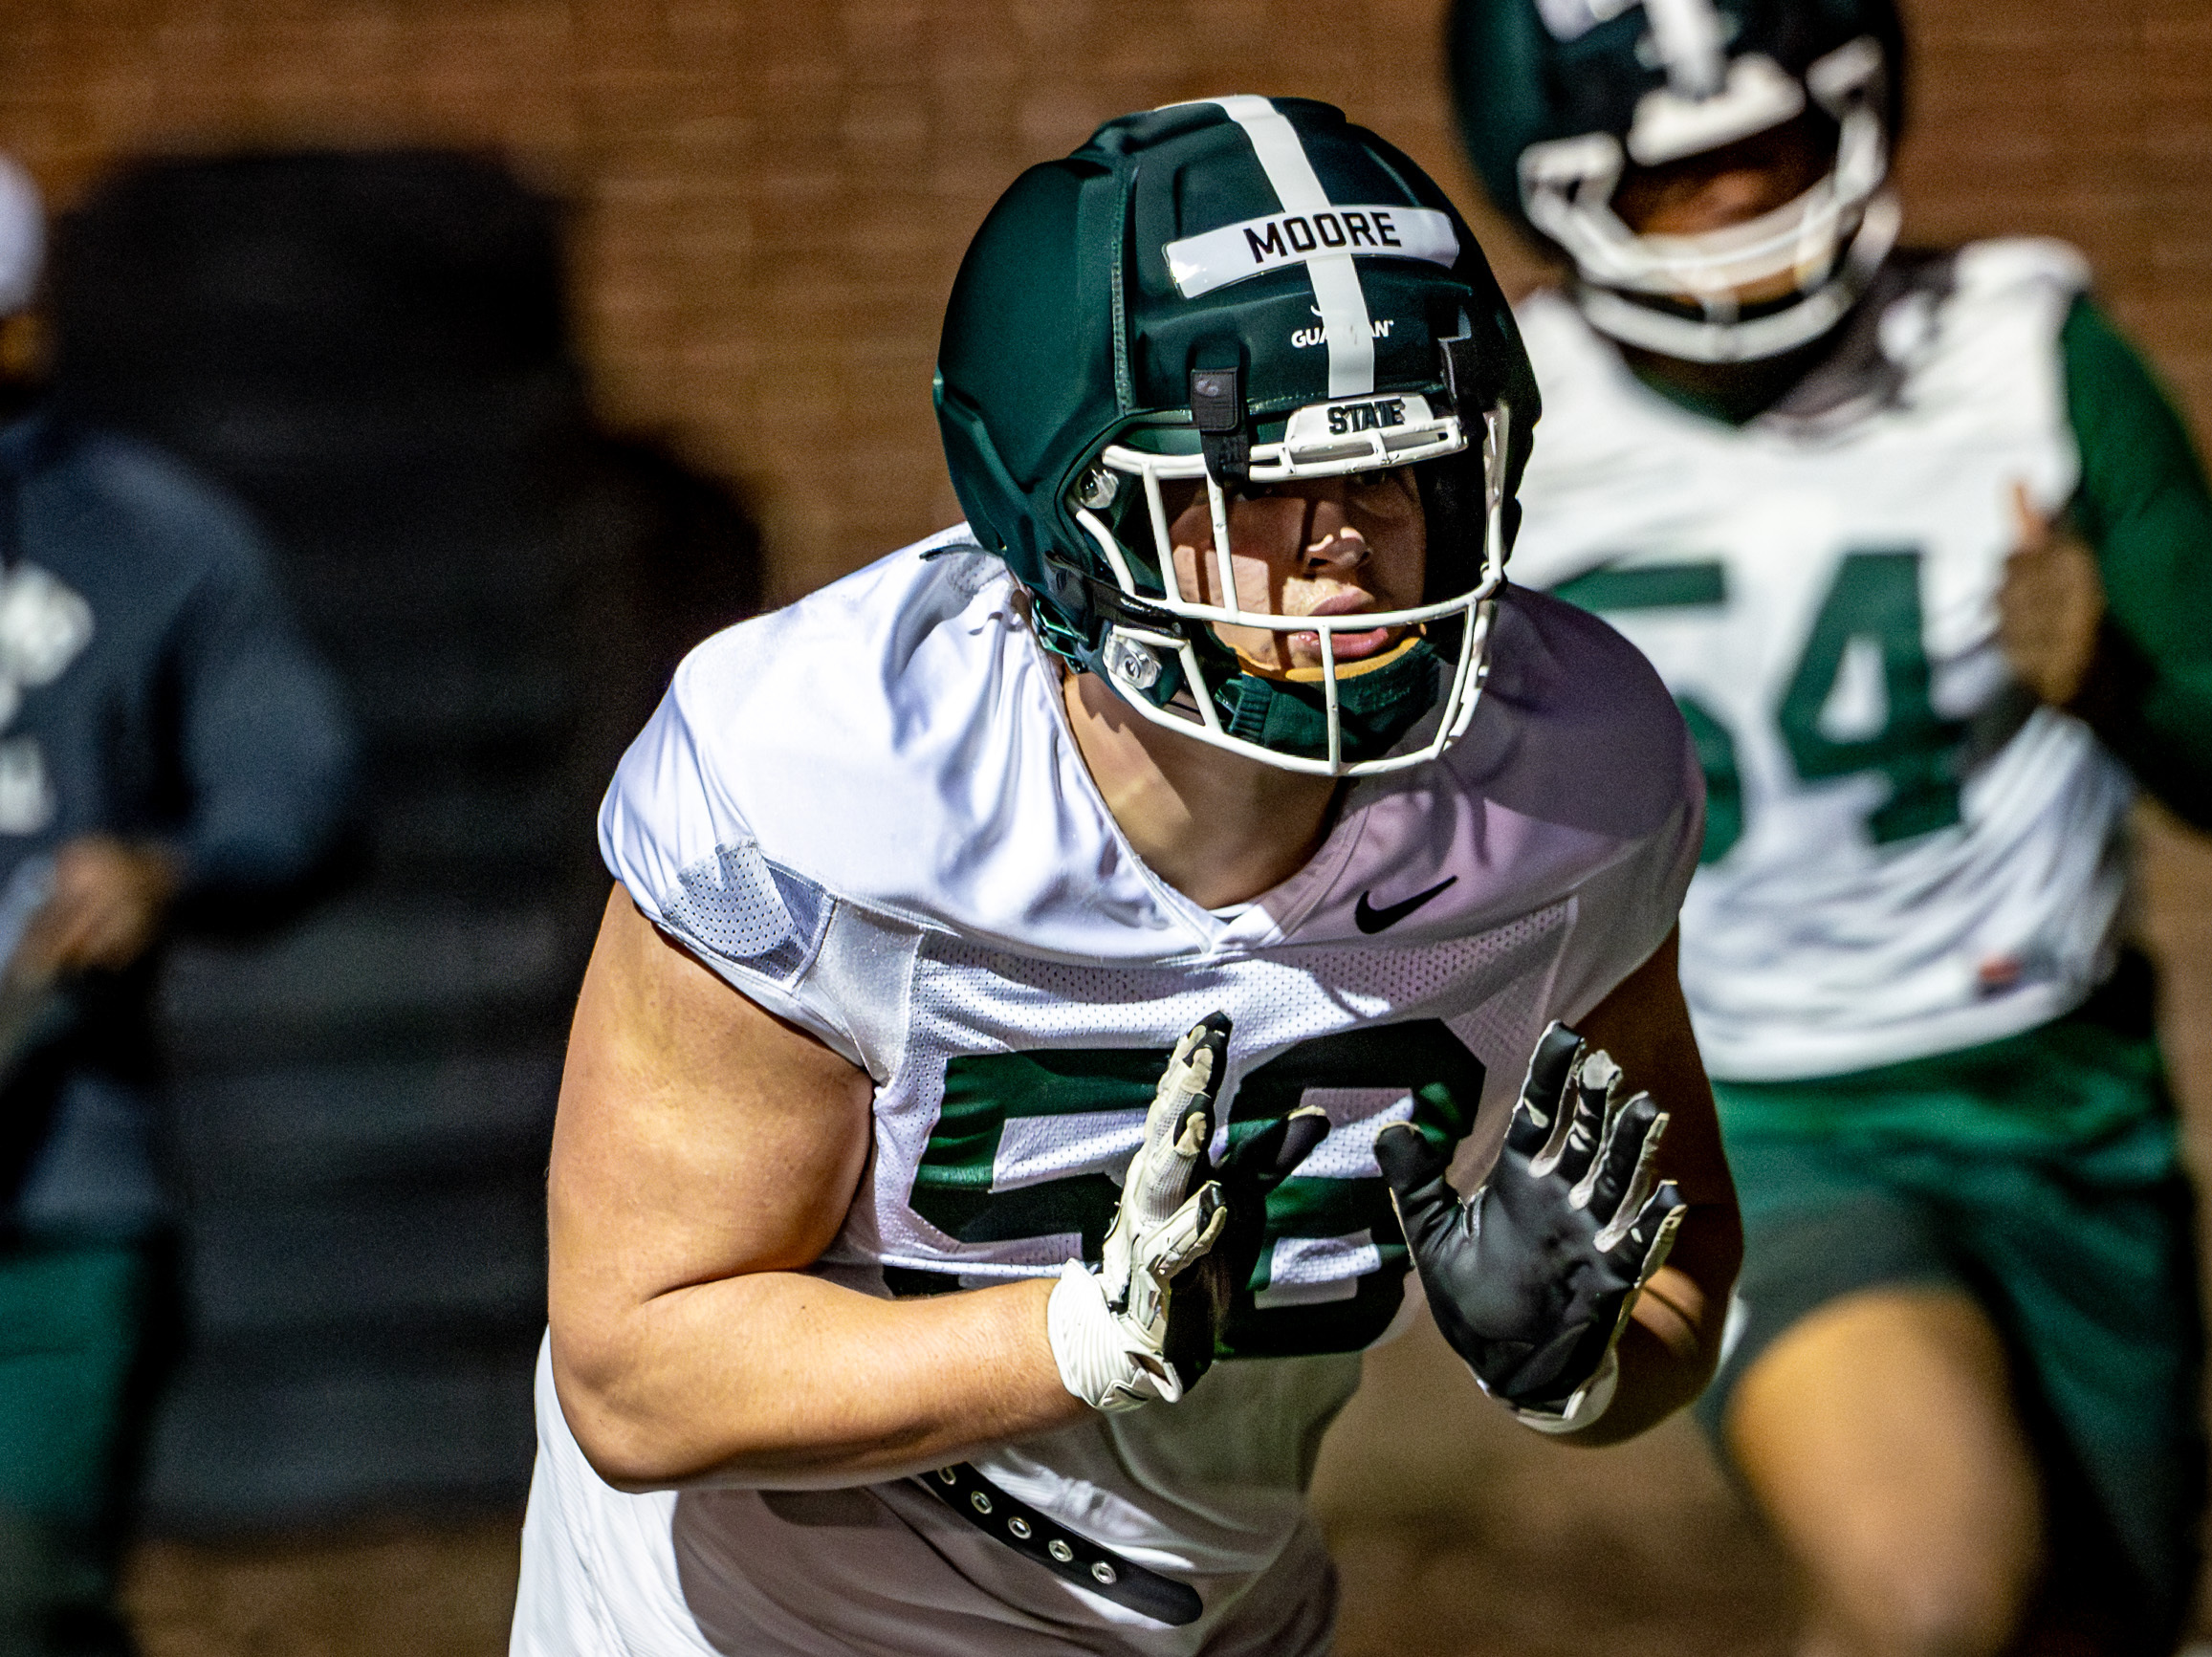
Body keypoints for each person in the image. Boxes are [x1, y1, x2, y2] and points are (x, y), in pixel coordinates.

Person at [514, 97, 1740, 1656]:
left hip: (1228, 1608)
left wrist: (1580, 1365)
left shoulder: (1571, 785)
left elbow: (1677, 1275)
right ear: (1069, 520)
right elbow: (640, 1369)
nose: (1346, 542)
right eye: (1254, 482)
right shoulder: (834, 785)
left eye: (1404, 471)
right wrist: (1075, 1336)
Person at [1449, 4, 2212, 1654]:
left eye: (1765, 152)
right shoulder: (1494, 420)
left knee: (2098, 1621)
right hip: (1749, 1102)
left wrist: (2120, 679)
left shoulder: (2018, 347)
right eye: (1675, 178)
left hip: (2058, 1091)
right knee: (1932, 1594)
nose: (1735, 206)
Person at [0, 152, 357, 1656]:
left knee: (22, 1597)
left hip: (53, 1188)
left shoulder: (147, 537)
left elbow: (295, 784)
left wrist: (164, 866)